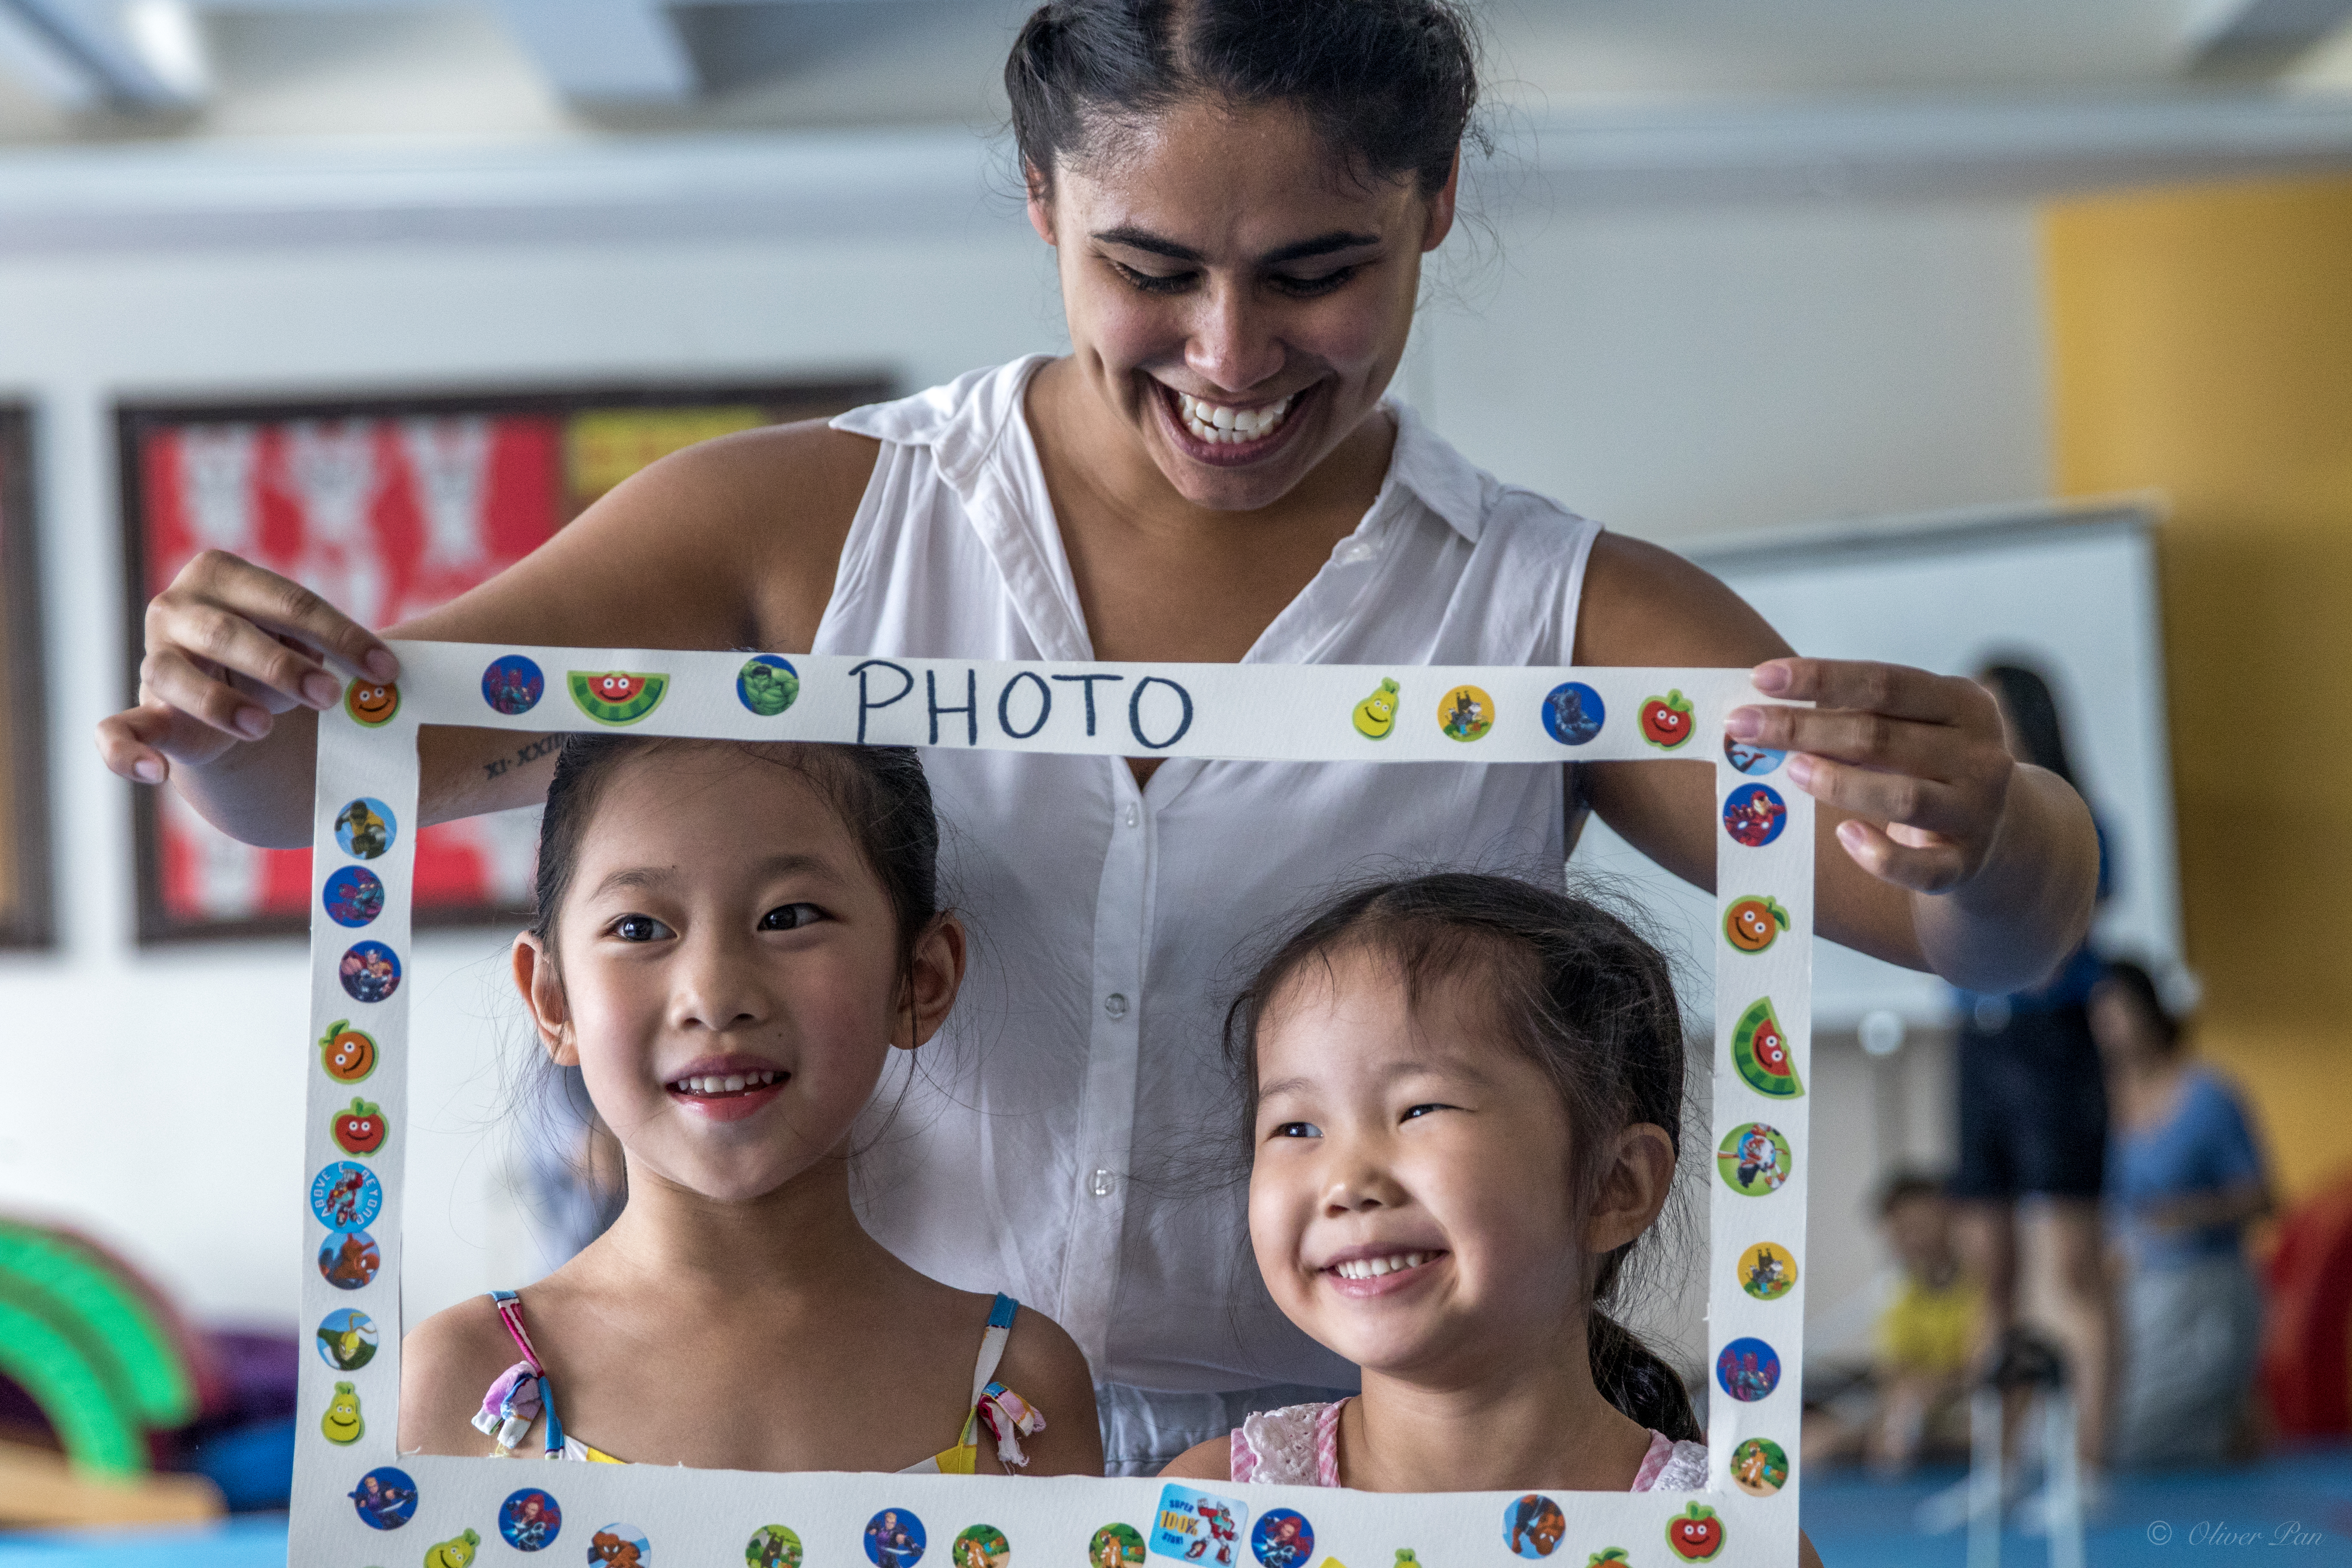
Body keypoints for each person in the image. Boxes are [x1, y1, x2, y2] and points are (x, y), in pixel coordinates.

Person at [100, 0, 2098, 1473]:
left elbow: (1981, 932)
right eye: (1147, 272)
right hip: (897, 1442)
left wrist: (1984, 817)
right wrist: (236, 701)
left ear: (1434, 203)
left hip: (1365, 1467)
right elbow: (341, 772)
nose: (1229, 360)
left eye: (1319, 274)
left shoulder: (1555, 610)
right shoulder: (802, 523)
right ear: (1042, 199)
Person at [397, 735, 1100, 1475]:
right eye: (639, 928)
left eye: (789, 916)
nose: (715, 995)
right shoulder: (463, 1378)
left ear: (918, 978)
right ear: (552, 998)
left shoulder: (1013, 1385)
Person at [1158, 872, 1821, 1565]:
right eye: (1295, 1126)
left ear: (1613, 1185)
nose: (1347, 1182)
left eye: (1420, 1109)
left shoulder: (1726, 1544)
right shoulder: (1217, 1507)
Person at [1948, 661, 2114, 1466]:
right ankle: (1998, 1463)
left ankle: (2083, 1463)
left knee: (2072, 1269)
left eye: (1992, 707)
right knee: (1991, 1273)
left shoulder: (2077, 819)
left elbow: (2063, 933)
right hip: (1977, 1044)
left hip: (2052, 1045)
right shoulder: (1947, 819)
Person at [2092, 960, 2273, 1468]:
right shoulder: (2094, 1105)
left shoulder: (2208, 1096)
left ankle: (2229, 1429)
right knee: (2085, 1428)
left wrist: (2184, 1215)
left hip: (2202, 1283)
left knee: (2129, 1443)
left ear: (2149, 1011)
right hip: (2129, 1294)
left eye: (2115, 1008)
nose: (2105, 1023)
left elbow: (2263, 1199)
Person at [1803, 1172, 1982, 1472]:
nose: (1910, 1236)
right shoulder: (1899, 1292)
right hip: (1917, 1412)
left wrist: (1931, 1391)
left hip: (1972, 1407)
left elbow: (1981, 1370)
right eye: (1900, 1228)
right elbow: (1892, 1373)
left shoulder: (1985, 1284)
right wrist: (1898, 1414)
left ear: (1952, 1220)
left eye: (1919, 1224)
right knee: (1813, 1444)